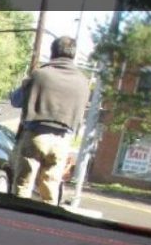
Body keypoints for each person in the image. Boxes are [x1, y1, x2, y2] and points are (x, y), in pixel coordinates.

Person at [9, 36, 91, 204]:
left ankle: (16, 219)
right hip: (62, 140)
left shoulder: (40, 75)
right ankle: (47, 223)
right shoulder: (83, 82)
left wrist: (25, 84)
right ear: (73, 55)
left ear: (53, 52)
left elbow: (16, 101)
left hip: (35, 135)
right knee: (50, 187)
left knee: (23, 185)